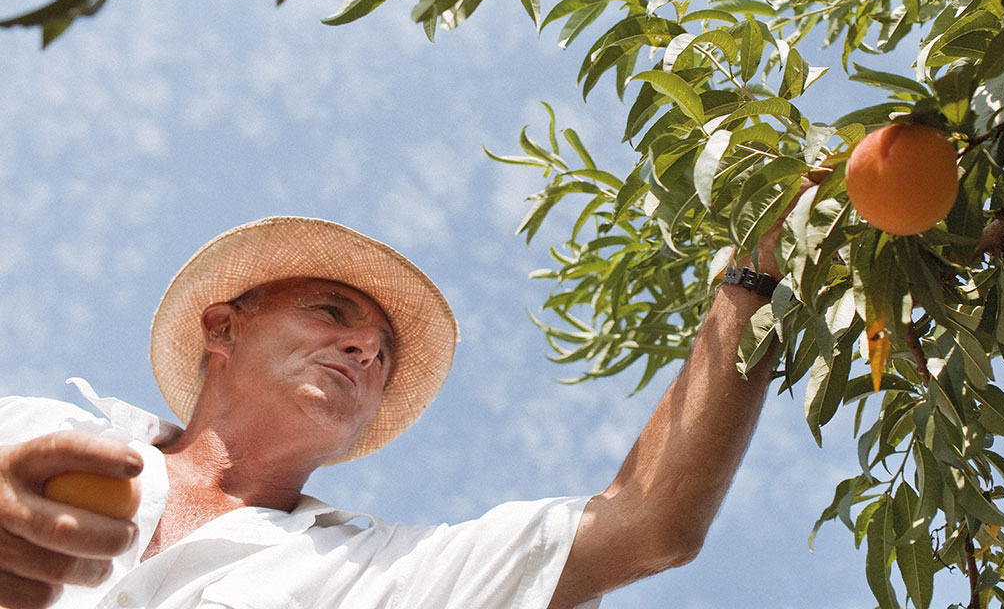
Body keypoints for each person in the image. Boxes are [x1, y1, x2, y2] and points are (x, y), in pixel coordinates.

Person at [0, 198, 801, 609]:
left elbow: (648, 523)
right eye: (332, 312)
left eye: (383, 351)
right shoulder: (33, 432)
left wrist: (757, 281)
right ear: (223, 326)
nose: (365, 348)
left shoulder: (385, 575)